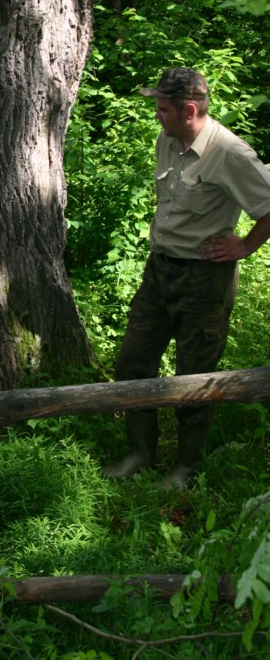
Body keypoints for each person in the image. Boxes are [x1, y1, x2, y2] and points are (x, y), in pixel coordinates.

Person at [103, 68, 270, 489]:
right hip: (159, 270)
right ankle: (141, 453)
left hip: (204, 279)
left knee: (194, 376)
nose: (156, 116)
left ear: (189, 109)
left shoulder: (230, 153)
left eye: (162, 109)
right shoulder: (169, 139)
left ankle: (186, 468)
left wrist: (245, 246)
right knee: (133, 362)